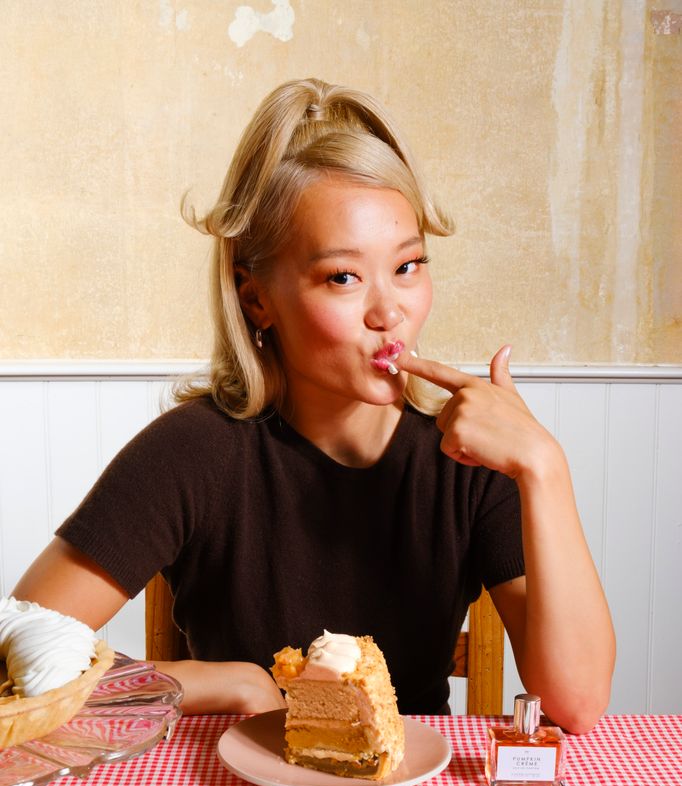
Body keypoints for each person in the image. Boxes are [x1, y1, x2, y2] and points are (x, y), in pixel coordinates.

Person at [13, 78, 615, 731]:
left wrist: (543, 468)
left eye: (409, 265)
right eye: (343, 277)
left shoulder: (470, 462)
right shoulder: (190, 452)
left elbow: (576, 705)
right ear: (257, 299)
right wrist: (228, 683)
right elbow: (19, 665)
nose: (391, 313)